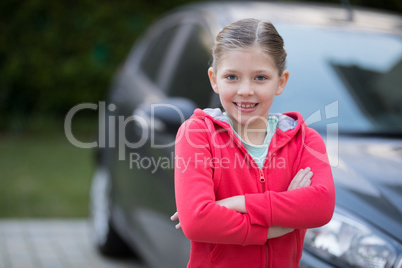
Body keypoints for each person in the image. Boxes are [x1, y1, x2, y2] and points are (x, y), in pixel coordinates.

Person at [171, 18, 335, 268]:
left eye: (260, 77)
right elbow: (196, 221)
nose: (245, 90)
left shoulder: (305, 141)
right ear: (214, 79)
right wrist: (278, 224)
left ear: (281, 81)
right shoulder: (197, 135)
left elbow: (321, 206)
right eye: (232, 77)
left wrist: (237, 204)